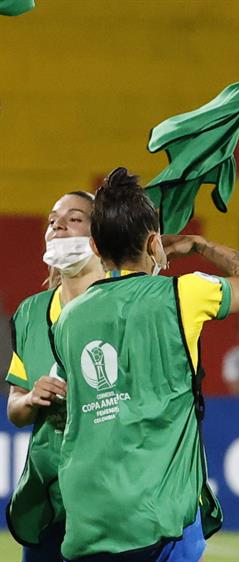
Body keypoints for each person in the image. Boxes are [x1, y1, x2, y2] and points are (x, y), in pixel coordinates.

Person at [49, 168, 239, 561]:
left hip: (85, 509)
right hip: (154, 507)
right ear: (154, 243)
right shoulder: (182, 293)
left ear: (96, 249)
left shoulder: (68, 317)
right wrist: (198, 245)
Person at [6, 190, 105, 562]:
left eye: (74, 218)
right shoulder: (30, 313)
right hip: (49, 495)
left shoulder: (130, 306)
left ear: (100, 236)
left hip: (112, 494)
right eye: (52, 221)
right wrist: (31, 398)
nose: (58, 225)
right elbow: (15, 410)